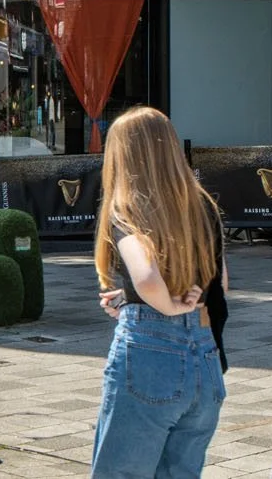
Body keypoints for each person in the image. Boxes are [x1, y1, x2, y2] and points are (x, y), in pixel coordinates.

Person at [87, 107, 227, 478]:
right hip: (204, 355)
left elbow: (147, 276)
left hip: (149, 351)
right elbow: (220, 284)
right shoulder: (202, 207)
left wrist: (166, 305)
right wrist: (132, 295)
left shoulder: (126, 209)